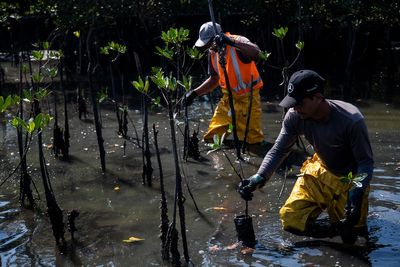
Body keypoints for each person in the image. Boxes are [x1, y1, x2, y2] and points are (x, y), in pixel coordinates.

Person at [238, 69, 374, 244]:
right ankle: (332, 232)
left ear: (317, 98)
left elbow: (365, 163)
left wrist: (357, 191)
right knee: (291, 219)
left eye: (300, 103)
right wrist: (259, 177)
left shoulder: (351, 121)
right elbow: (279, 150)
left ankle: (345, 230)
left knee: (355, 238)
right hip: (320, 170)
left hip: (350, 179)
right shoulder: (295, 116)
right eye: (292, 103)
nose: (295, 108)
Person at [185, 22, 264, 145]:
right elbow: (214, 80)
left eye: (210, 42)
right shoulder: (212, 52)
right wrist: (194, 93)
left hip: (249, 100)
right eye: (206, 44)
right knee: (211, 138)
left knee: (252, 143)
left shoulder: (238, 41)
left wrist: (230, 42)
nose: (209, 47)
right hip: (228, 100)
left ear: (217, 37)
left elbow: (257, 53)